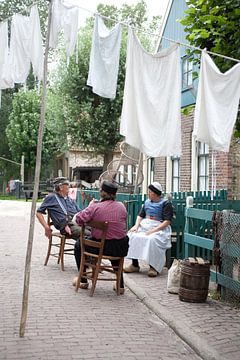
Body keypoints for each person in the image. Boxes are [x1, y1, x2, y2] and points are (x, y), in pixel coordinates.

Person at [72, 180, 129, 293]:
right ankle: (120, 284)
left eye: (100, 190)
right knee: (115, 241)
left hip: (100, 248)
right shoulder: (122, 207)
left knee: (79, 245)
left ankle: (83, 280)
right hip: (120, 248)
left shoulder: (95, 207)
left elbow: (78, 219)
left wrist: (90, 206)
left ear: (103, 193)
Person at [124, 182, 173, 277]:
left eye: (150, 192)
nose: (148, 193)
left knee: (152, 240)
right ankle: (135, 264)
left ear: (155, 193)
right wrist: (136, 226)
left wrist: (154, 231)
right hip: (145, 225)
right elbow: (140, 215)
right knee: (131, 236)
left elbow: (167, 221)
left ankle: (153, 266)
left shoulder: (166, 204)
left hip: (159, 227)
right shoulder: (146, 202)